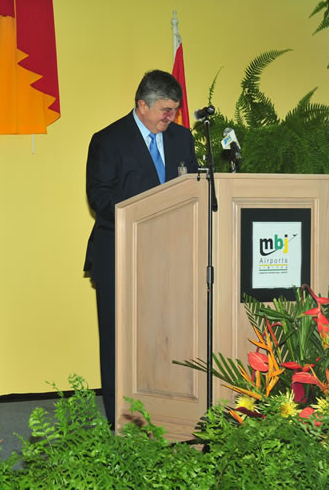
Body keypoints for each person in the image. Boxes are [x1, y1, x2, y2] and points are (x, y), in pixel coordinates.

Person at [84, 70, 199, 425]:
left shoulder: (182, 138)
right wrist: (148, 209)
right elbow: (99, 197)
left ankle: (168, 413)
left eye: (175, 109)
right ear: (142, 105)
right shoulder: (108, 140)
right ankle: (120, 420)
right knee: (120, 344)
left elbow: (193, 186)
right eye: (166, 110)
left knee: (167, 339)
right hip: (119, 254)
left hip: (173, 257)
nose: (172, 116)